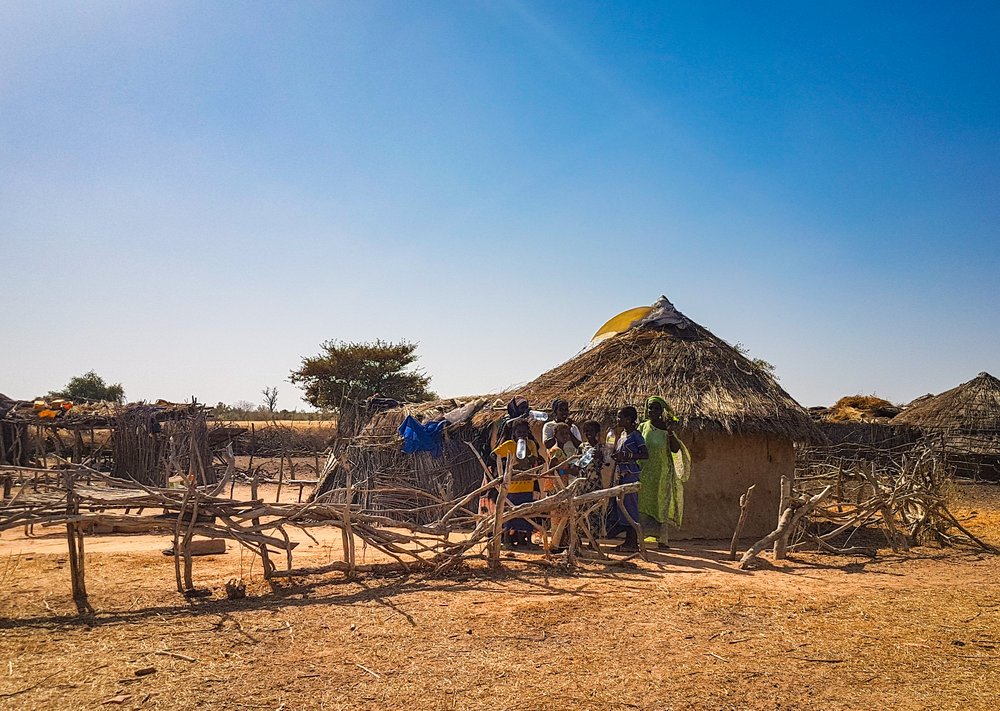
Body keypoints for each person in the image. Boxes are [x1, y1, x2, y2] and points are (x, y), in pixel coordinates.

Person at [637, 396, 690, 549]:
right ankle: (642, 537)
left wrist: (671, 432)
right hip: (645, 473)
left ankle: (662, 539)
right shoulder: (642, 427)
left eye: (656, 408)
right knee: (643, 504)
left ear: (662, 411)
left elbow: (674, 449)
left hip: (662, 474)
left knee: (660, 504)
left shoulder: (667, 429)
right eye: (650, 407)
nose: (652, 411)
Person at [491, 418, 543, 550]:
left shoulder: (531, 444)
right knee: (510, 515)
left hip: (527, 485)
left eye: (524, 432)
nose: (522, 435)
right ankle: (507, 540)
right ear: (514, 433)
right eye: (519, 432)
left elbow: (534, 459)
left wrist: (528, 453)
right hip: (512, 487)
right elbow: (493, 454)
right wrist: (504, 466)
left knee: (526, 513)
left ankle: (527, 540)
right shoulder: (509, 445)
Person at [606, 406, 648, 552]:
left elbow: (644, 454)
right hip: (620, 474)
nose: (618, 420)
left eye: (620, 417)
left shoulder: (636, 436)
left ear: (629, 419)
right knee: (621, 506)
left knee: (630, 507)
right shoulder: (622, 435)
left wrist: (628, 456)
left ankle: (633, 542)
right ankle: (627, 541)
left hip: (630, 474)